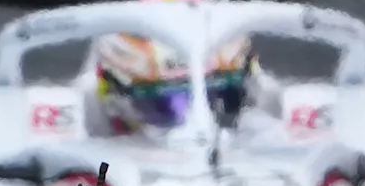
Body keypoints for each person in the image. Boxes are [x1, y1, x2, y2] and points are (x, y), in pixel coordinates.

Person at [90, 22, 256, 138]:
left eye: (215, 99)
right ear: (115, 101)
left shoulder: (263, 135)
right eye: (164, 107)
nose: (199, 129)